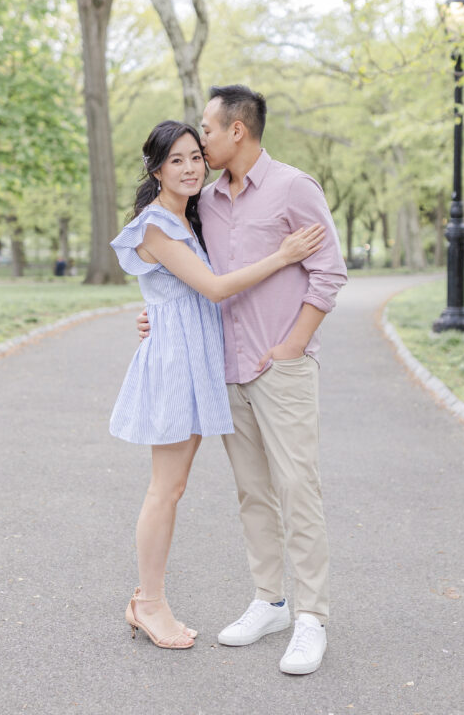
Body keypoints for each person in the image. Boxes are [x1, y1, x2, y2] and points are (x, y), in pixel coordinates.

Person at [138, 86, 347, 675]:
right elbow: (191, 278)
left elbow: (329, 273)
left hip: (279, 368)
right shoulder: (204, 202)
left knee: (297, 488)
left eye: (206, 129)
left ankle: (310, 619)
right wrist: (154, 311)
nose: (198, 141)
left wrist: (292, 347)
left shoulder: (293, 188)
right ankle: (270, 602)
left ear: (237, 131)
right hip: (224, 371)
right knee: (252, 492)